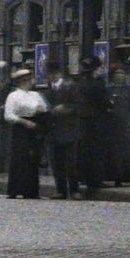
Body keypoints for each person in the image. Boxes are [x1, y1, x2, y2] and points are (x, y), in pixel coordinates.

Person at [1, 66, 48, 199]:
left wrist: (37, 112)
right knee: (20, 157)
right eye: (28, 80)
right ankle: (16, 189)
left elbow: (43, 107)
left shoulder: (35, 95)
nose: (30, 82)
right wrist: (23, 121)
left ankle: (31, 190)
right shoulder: (13, 96)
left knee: (33, 158)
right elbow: (8, 115)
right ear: (22, 81)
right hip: (21, 127)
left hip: (34, 126)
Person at [76, 62, 113, 195]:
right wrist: (110, 104)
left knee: (85, 150)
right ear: (95, 70)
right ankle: (96, 179)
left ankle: (83, 177)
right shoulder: (97, 83)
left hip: (83, 120)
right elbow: (102, 100)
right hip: (96, 120)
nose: (101, 71)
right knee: (97, 150)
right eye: (99, 68)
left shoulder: (81, 83)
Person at [45, 67, 82, 199]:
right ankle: (60, 190)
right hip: (53, 131)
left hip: (68, 130)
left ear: (60, 74)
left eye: (55, 73)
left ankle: (74, 190)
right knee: (57, 163)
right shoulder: (48, 91)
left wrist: (64, 109)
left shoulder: (70, 87)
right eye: (50, 74)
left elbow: (77, 107)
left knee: (71, 162)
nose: (52, 76)